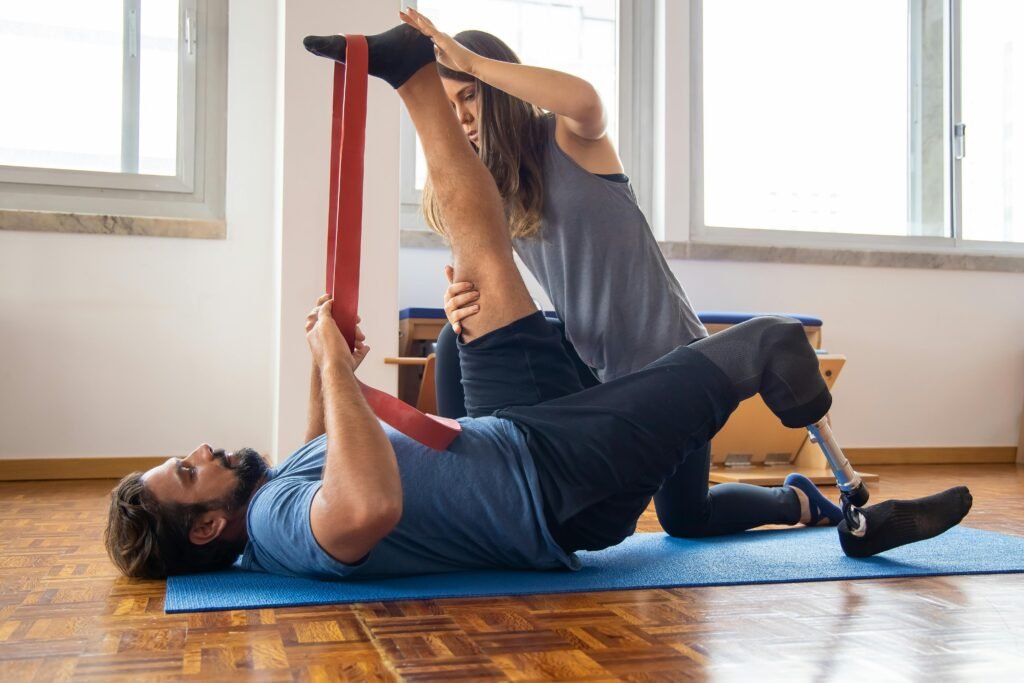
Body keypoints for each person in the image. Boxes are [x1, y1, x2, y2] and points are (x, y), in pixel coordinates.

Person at [105, 23, 973, 581]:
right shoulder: (281, 526)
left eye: (469, 101)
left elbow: (320, 453)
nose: (201, 448)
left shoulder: (566, 143)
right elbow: (362, 504)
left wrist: (325, 360)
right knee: (694, 489)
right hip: (560, 441)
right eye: (188, 468)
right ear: (208, 524)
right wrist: (375, 345)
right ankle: (816, 500)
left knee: (683, 506)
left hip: (624, 371)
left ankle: (813, 497)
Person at [399, 8, 847, 539]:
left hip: (668, 358)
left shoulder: (568, 139)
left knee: (687, 519)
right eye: (449, 107)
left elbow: (586, 99)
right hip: (588, 367)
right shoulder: (498, 187)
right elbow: (491, 280)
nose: (461, 117)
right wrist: (463, 306)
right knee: (453, 343)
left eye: (469, 96)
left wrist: (469, 61)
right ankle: (470, 488)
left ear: (494, 86)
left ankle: (797, 501)